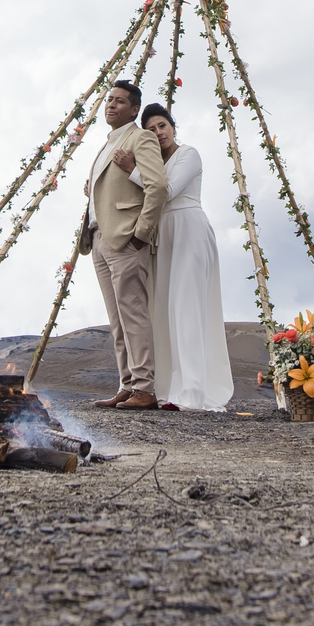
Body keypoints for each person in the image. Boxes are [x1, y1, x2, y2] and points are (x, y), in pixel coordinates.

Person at [114, 103, 234, 412]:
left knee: (187, 306)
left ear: (173, 127)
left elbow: (166, 191)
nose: (157, 133)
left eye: (162, 126)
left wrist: (132, 171)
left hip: (189, 229)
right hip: (162, 236)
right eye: (151, 130)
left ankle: (192, 393)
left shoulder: (188, 155)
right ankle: (169, 389)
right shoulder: (153, 163)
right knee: (163, 308)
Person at [79, 78, 169, 410]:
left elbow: (157, 187)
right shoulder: (106, 144)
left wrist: (140, 234)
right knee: (116, 318)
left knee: (133, 313)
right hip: (99, 237)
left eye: (119, 101)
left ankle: (145, 388)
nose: (111, 105)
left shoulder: (140, 137)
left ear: (134, 109)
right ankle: (127, 384)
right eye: (109, 100)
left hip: (125, 238)